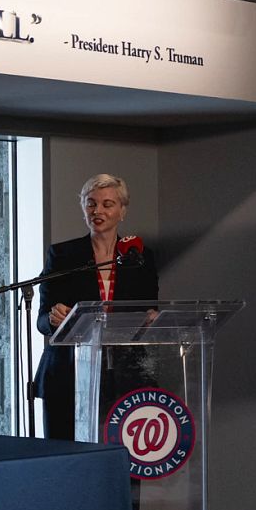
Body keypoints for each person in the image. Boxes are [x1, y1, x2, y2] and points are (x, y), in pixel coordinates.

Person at [34, 173, 159, 440]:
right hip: (69, 375)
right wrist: (54, 317)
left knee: (121, 459)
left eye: (107, 204)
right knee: (66, 460)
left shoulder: (139, 258)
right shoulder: (63, 256)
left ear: (122, 211)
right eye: (91, 203)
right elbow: (42, 321)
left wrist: (151, 318)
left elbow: (149, 311)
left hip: (125, 375)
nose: (98, 210)